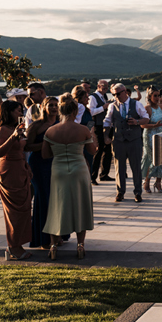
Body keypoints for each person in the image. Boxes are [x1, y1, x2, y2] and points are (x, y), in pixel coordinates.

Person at [42, 94, 96, 260]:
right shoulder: (83, 130)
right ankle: (80, 245)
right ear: (74, 111)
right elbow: (92, 151)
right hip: (79, 170)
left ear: (60, 111)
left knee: (56, 207)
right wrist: (92, 137)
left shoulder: (51, 131)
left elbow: (45, 154)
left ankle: (52, 246)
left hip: (58, 171)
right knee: (81, 205)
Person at [0, 100, 32, 260]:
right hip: (9, 171)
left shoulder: (17, 128)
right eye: (18, 111)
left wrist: (26, 166)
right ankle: (13, 247)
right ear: (8, 112)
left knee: (24, 209)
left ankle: (18, 244)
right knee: (14, 211)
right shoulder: (2, 130)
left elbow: (21, 149)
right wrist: (13, 137)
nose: (21, 114)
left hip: (20, 168)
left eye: (22, 110)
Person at [104, 83, 150, 203]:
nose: (116, 96)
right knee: (119, 168)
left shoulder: (137, 104)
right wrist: (106, 136)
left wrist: (136, 122)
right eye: (113, 94)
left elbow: (146, 118)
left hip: (134, 140)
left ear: (125, 92)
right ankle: (120, 192)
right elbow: (107, 121)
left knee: (136, 167)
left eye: (118, 94)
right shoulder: (112, 106)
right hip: (118, 140)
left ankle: (138, 192)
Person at [24, 97, 59, 249]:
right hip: (39, 165)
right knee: (43, 199)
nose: (53, 108)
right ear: (43, 107)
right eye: (50, 105)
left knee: (56, 200)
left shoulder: (61, 124)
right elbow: (27, 147)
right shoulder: (36, 126)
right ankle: (43, 238)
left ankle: (57, 235)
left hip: (56, 164)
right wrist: (45, 144)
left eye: (56, 105)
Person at [141, 87, 162, 194]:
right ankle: (146, 181)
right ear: (150, 97)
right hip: (150, 136)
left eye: (158, 95)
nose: (157, 98)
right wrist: (154, 125)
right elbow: (142, 124)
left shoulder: (161, 107)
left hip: (160, 136)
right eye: (154, 96)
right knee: (152, 159)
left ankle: (158, 182)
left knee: (161, 159)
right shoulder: (147, 108)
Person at [88, 79, 114, 185]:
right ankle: (92, 176)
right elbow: (91, 111)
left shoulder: (104, 96)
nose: (106, 88)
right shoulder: (92, 97)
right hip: (97, 126)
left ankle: (104, 174)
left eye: (107, 86)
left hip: (105, 126)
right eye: (103, 86)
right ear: (98, 86)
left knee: (107, 150)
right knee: (98, 151)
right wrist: (103, 107)